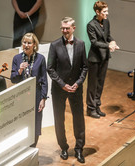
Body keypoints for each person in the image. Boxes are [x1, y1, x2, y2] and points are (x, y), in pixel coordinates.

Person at [47, 17, 88, 163]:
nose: (64, 31)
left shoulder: (81, 44)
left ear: (73, 28)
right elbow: (50, 68)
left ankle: (79, 149)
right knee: (59, 119)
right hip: (59, 89)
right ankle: (63, 147)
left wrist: (78, 83)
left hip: (76, 88)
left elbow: (84, 67)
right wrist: (62, 84)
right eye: (62, 28)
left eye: (67, 28)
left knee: (79, 118)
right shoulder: (55, 45)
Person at [11, 32, 48, 147]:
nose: (26, 45)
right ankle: (22, 148)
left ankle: (32, 148)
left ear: (34, 45)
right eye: (24, 42)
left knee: (35, 124)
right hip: (21, 96)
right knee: (21, 123)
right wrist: (19, 71)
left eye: (29, 43)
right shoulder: (17, 58)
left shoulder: (40, 59)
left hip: (36, 95)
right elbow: (13, 79)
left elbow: (44, 80)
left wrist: (43, 98)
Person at [86, 1, 120, 118]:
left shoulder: (106, 22)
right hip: (95, 58)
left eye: (107, 11)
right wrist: (108, 46)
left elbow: (108, 35)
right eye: (105, 11)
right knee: (93, 84)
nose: (107, 13)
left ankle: (97, 106)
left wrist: (113, 41)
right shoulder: (91, 25)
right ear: (97, 12)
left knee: (100, 83)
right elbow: (94, 42)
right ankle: (90, 109)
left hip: (104, 56)